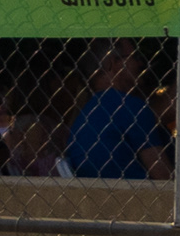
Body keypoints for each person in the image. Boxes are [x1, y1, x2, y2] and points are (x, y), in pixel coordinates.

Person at [62, 41, 169, 181]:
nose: (141, 64)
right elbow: (166, 179)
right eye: (135, 57)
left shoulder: (84, 115)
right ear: (111, 63)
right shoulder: (129, 106)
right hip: (140, 198)